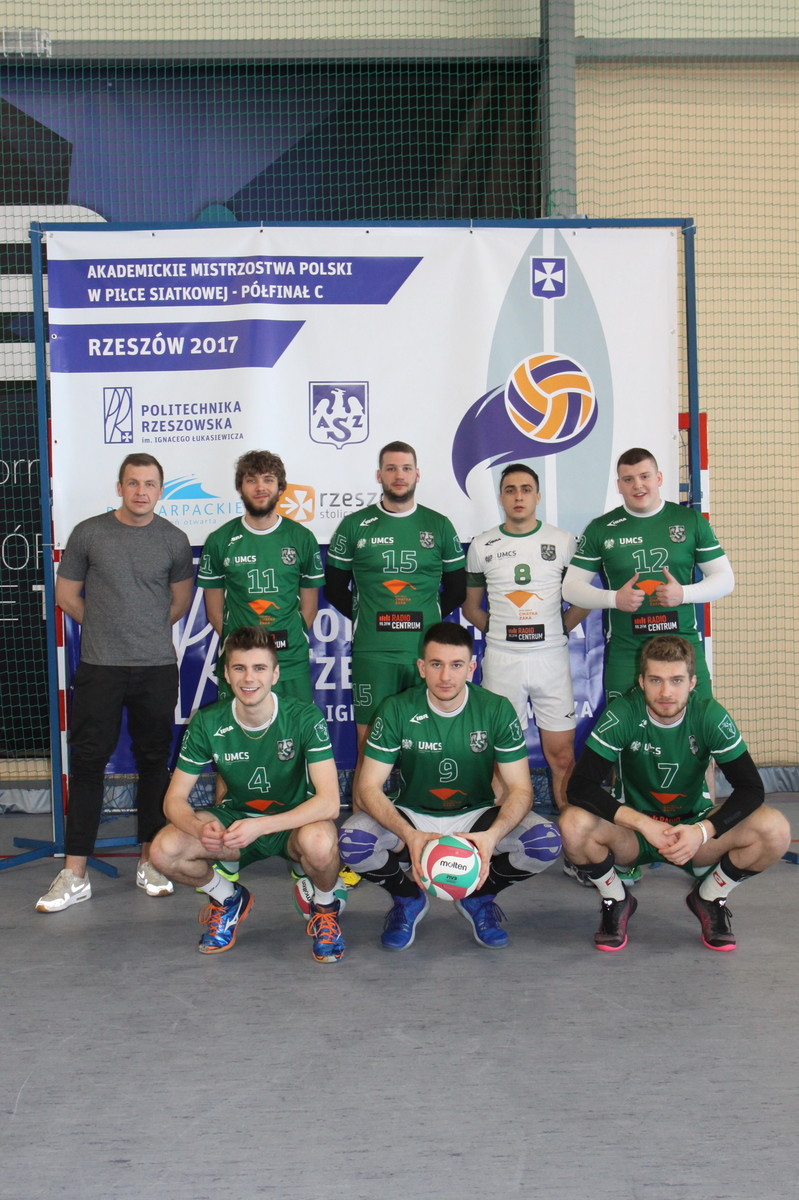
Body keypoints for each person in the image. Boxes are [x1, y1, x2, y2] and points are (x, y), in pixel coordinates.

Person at [338, 622, 562, 950]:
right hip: (413, 814)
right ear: (421, 667)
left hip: (476, 816)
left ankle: (479, 898)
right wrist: (409, 834)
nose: (445, 676)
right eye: (436, 664)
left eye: (456, 665)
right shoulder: (397, 708)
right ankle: (407, 898)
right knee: (353, 841)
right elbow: (368, 787)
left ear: (471, 668)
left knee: (544, 841)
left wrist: (492, 837)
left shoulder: (496, 709)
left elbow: (521, 789)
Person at [561, 635, 790, 952]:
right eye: (656, 680)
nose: (666, 692)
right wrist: (645, 825)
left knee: (775, 829)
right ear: (641, 681)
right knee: (572, 824)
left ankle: (710, 897)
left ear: (692, 683)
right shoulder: (624, 712)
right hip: (634, 834)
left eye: (676, 680)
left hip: (694, 832)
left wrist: (702, 831)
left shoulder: (709, 715)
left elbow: (751, 788)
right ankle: (616, 899)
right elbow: (580, 787)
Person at [36, 453, 194, 912]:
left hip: (156, 669)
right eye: (133, 483)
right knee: (88, 764)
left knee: (154, 764)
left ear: (160, 490)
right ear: (120, 487)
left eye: (150, 484)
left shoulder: (174, 539)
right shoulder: (89, 533)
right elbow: (66, 595)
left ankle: (151, 862)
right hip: (100, 668)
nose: (141, 491)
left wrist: (143, 632)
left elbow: (180, 603)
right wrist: (107, 629)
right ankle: (74, 874)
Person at [149, 626, 345, 962]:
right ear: (226, 674)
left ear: (275, 674)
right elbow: (174, 800)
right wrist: (199, 828)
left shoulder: (304, 717)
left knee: (320, 843)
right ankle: (228, 898)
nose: (249, 678)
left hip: (292, 824)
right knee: (163, 851)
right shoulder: (208, 722)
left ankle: (325, 908)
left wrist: (262, 826)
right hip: (235, 823)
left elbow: (329, 803)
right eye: (239, 668)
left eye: (259, 668)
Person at [325, 441, 466, 801]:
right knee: (368, 743)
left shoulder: (439, 525)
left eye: (405, 468)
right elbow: (335, 588)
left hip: (426, 655)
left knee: (432, 740)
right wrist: (367, 617)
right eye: (391, 468)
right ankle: (362, 824)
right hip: (374, 655)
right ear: (379, 475)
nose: (398, 475)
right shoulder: (354, 525)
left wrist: (428, 623)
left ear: (417, 474)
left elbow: (457, 590)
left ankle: (430, 816)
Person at [463, 463, 589, 812]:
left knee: (561, 755)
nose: (518, 496)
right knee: (499, 757)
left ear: (538, 496)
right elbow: (471, 607)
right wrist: (500, 632)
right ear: (501, 497)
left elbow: (583, 599)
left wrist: (559, 629)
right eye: (510, 489)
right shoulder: (482, 544)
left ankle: (572, 837)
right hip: (503, 661)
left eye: (526, 489)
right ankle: (498, 835)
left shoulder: (563, 541)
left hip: (551, 659)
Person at [562, 447, 734, 701]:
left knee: (698, 722)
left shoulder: (691, 521)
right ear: (619, 485)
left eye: (645, 476)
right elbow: (571, 588)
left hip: (683, 647)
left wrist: (683, 594)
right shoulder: (601, 528)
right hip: (627, 652)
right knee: (624, 725)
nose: (638, 485)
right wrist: (614, 599)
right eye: (628, 479)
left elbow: (725, 580)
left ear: (659, 478)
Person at [197, 449, 323, 704]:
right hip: (239, 666)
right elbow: (214, 613)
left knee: (295, 727)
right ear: (240, 487)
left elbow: (309, 609)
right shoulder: (220, 540)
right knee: (237, 729)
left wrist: (285, 643)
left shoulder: (302, 538)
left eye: (268, 479)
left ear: (280, 487)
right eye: (251, 480)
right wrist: (244, 650)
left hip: (290, 662)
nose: (260, 487)